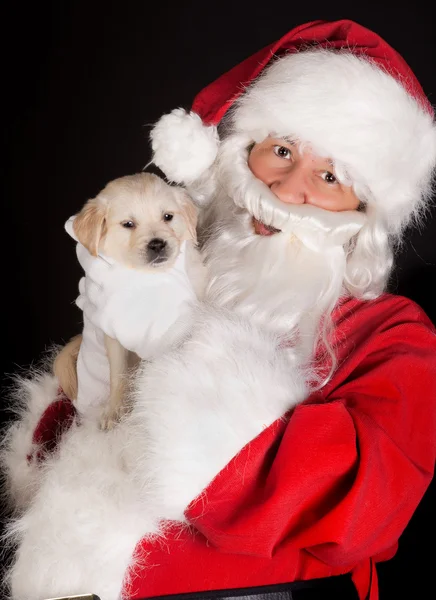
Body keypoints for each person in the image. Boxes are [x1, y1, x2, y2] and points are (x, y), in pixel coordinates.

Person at [1, 18, 436, 600]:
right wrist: (88, 387)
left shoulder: (394, 336)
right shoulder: (182, 269)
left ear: (363, 211)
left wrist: (185, 343)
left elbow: (361, 508)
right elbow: (52, 458)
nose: (286, 190)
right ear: (242, 154)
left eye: (329, 176)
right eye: (280, 151)